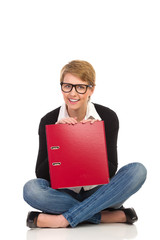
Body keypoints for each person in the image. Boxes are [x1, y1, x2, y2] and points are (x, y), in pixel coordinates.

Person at [23, 60, 147, 228]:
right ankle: (106, 216)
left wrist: (88, 140)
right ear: (61, 87)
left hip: (99, 191)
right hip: (63, 193)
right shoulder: (48, 121)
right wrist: (59, 139)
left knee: (138, 171)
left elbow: (111, 169)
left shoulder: (108, 117)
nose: (73, 93)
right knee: (31, 189)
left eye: (80, 87)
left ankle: (62, 219)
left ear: (91, 89)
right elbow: (41, 174)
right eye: (67, 86)